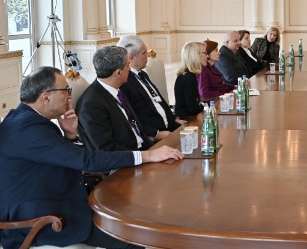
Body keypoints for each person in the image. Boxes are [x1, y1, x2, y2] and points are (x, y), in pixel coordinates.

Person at [0, 66, 183, 249]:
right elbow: (85, 160)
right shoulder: (26, 128)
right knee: (133, 237)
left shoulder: (27, 119)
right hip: (41, 218)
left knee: (137, 212)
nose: (69, 96)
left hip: (57, 197)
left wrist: (70, 136)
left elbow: (64, 157)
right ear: (45, 97)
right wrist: (146, 155)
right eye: (65, 90)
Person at [76, 46, 152, 151]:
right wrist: (146, 156)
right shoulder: (91, 105)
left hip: (145, 149)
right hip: (129, 158)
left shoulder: (115, 88)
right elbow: (108, 149)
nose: (130, 69)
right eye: (127, 65)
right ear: (118, 72)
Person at [117, 35, 185, 140]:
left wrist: (174, 119)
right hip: (155, 135)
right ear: (131, 58)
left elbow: (159, 101)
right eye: (144, 53)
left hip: (170, 127)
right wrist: (156, 134)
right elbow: (131, 117)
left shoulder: (142, 74)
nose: (148, 56)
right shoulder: (125, 82)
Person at [174, 41, 206, 118]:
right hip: (187, 120)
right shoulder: (189, 77)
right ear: (196, 55)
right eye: (205, 53)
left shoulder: (188, 74)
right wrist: (206, 107)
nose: (207, 56)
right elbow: (193, 109)